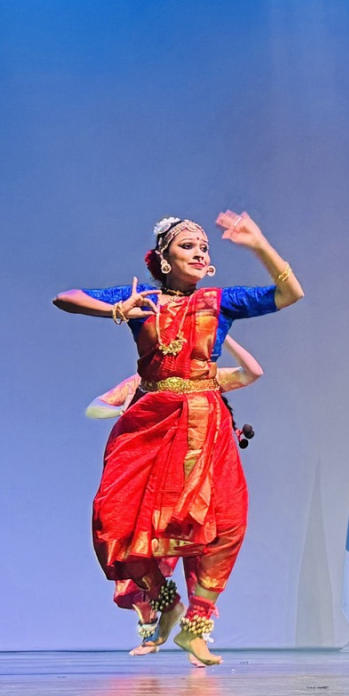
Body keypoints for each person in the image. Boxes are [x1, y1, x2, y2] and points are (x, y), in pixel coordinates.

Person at [54, 211, 302, 666]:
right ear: (164, 259)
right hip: (149, 423)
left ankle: (197, 626)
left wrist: (260, 243)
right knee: (118, 520)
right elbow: (64, 297)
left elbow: (290, 293)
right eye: (187, 246)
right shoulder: (142, 300)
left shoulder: (220, 301)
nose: (199, 252)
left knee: (220, 525)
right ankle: (163, 602)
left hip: (206, 426)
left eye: (204, 249)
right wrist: (115, 310)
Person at [89, 336, 264, 656]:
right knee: (134, 548)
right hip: (156, 485)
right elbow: (97, 405)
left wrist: (225, 335)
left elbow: (252, 372)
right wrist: (125, 414)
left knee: (206, 555)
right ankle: (155, 627)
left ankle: (196, 635)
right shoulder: (140, 384)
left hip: (199, 482)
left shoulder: (205, 378)